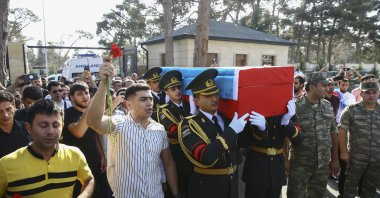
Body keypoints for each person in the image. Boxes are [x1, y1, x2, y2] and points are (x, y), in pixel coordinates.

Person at [87, 60, 179, 198]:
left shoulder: (159, 129)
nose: (149, 103)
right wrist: (103, 85)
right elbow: (93, 121)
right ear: (128, 105)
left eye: (150, 99)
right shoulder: (118, 124)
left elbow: (168, 162)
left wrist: (176, 194)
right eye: (143, 99)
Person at [0, 99, 94, 198]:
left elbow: (89, 180)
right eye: (43, 125)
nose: (50, 131)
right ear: (29, 128)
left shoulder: (74, 154)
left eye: (55, 125)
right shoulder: (5, 165)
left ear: (62, 126)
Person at [178, 68, 249, 198]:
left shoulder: (227, 119)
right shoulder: (189, 125)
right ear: (196, 101)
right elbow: (205, 156)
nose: (214, 98)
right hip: (207, 187)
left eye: (216, 94)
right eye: (207, 96)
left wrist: (258, 127)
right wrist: (231, 131)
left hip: (232, 184)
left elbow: (242, 144)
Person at [287, 72, 340, 198]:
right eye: (324, 85)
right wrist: (285, 159)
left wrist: (335, 158)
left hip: (322, 165)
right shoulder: (295, 107)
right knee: (295, 195)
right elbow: (286, 135)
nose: (328, 88)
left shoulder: (327, 106)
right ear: (312, 88)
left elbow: (333, 132)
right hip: (300, 164)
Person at [238, 99, 303, 198]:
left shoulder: (286, 106)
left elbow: (299, 140)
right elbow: (241, 142)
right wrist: (260, 130)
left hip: (277, 168)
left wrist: (287, 123)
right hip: (256, 169)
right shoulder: (253, 105)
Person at [61, 82, 111, 197]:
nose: (85, 96)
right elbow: (78, 132)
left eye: (87, 93)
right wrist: (92, 107)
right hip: (78, 166)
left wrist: (102, 157)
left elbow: (95, 136)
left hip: (96, 163)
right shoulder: (68, 114)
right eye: (80, 94)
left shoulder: (89, 113)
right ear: (71, 97)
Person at [338, 81, 380, 198]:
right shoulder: (351, 110)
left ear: (378, 93)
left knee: (370, 190)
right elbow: (342, 131)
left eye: (374, 92)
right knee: (350, 188)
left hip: (376, 160)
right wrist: (344, 153)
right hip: (355, 159)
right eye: (367, 93)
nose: (371, 95)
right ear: (361, 93)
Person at [157, 70, 192, 197]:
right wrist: (192, 115)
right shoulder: (164, 111)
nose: (177, 91)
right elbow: (175, 132)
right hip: (178, 157)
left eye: (178, 87)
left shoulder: (190, 105)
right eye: (173, 89)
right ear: (166, 92)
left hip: (195, 156)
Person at [0, 90, 31, 159]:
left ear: (14, 106)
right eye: (0, 111)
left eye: (8, 109)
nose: (5, 115)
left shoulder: (28, 128)